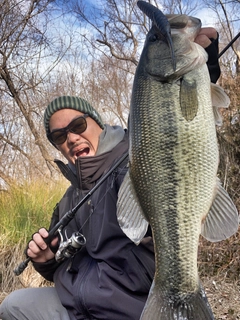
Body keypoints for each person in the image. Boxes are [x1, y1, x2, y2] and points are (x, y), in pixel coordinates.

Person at [0, 27, 221, 320]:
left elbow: (173, 126)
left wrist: (203, 70)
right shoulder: (68, 200)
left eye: (78, 126)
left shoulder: (134, 158)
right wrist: (46, 261)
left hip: (132, 308)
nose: (71, 138)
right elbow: (69, 265)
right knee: (13, 306)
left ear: (98, 124)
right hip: (79, 306)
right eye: (59, 136)